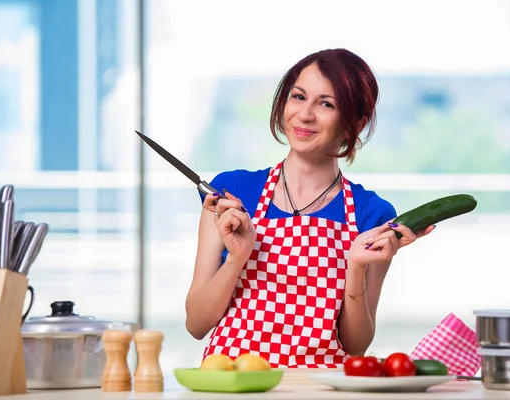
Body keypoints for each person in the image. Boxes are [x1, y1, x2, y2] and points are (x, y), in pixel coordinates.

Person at [185, 48, 434, 368]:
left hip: (322, 384)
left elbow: (356, 346)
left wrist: (356, 266)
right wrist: (237, 257)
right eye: (298, 97)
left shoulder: (372, 213)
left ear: (354, 122)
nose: (304, 115)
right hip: (233, 380)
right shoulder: (231, 193)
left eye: (326, 104)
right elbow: (196, 324)